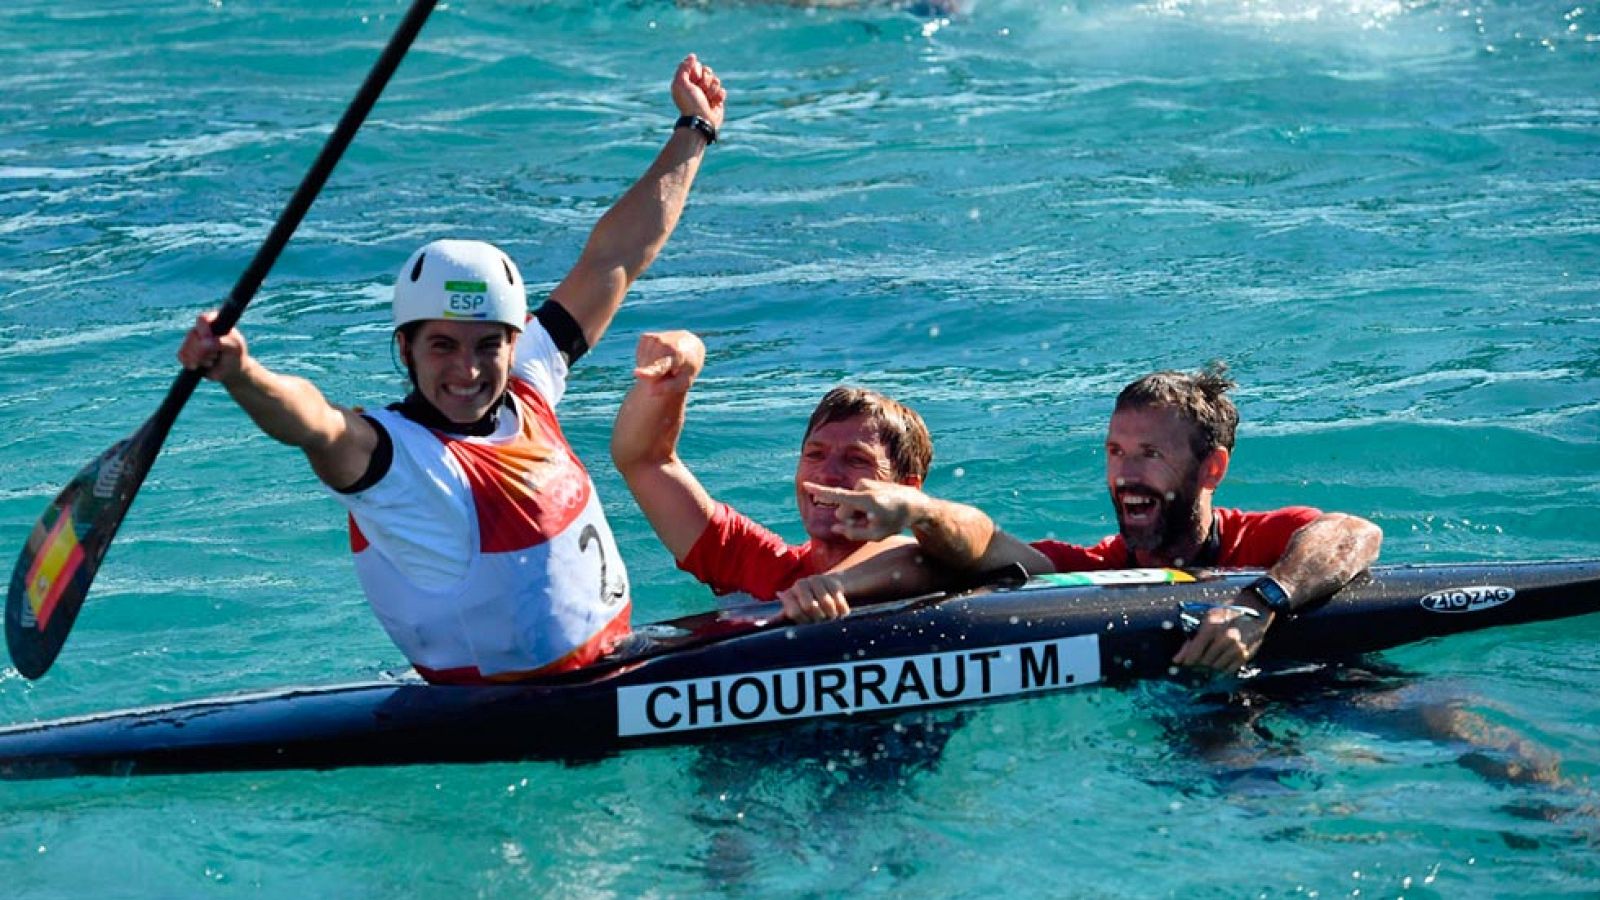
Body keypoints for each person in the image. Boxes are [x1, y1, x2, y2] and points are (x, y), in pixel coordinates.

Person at [175, 55, 727, 684]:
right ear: (405, 349)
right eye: (442, 346)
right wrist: (242, 372)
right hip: (522, 725)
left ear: (511, 342)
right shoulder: (396, 462)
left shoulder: (525, 383)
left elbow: (618, 257)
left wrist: (694, 129)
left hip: (618, 668)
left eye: (487, 345)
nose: (468, 369)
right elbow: (315, 424)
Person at [786, 364, 1384, 674]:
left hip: (1325, 674)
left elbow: (1355, 534)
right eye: (1115, 452)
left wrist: (1262, 604)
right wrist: (841, 582)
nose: (1125, 475)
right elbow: (955, 554)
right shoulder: (1093, 572)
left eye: (1150, 455)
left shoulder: (1261, 541)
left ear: (1211, 469)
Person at [610, 329, 933, 623]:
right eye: (814, 454)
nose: (826, 473)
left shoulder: (927, 569)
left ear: (907, 490)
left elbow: (924, 560)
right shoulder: (759, 565)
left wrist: (838, 585)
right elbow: (644, 461)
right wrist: (674, 377)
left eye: (856, 460)